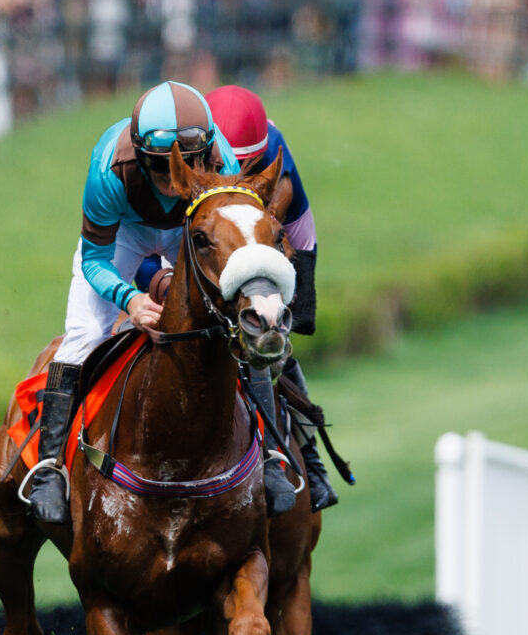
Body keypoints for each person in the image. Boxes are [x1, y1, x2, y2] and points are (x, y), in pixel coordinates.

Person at [20, 80, 296, 525]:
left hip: (192, 227)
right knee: (86, 333)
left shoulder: (219, 159)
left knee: (234, 321)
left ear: (205, 153)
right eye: (161, 167)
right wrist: (129, 299)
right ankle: (49, 467)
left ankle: (271, 456)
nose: (173, 179)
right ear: (141, 156)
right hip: (123, 235)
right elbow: (94, 260)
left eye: (187, 164)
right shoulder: (109, 172)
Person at [206, 84, 343, 510]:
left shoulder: (276, 150)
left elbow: (300, 232)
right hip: (201, 239)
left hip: (261, 240)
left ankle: (308, 463)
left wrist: (295, 309)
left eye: (247, 165)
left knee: (272, 351)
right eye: (227, 163)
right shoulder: (188, 145)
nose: (236, 173)